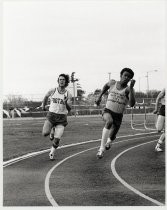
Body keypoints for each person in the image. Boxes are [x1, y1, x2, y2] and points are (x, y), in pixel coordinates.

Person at [95, 68, 136, 159]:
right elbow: (105, 86)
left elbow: (132, 104)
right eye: (125, 75)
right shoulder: (112, 83)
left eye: (129, 77)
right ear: (121, 75)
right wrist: (100, 96)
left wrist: (132, 88)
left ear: (130, 79)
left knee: (112, 136)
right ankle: (101, 149)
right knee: (109, 121)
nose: (126, 78)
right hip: (108, 111)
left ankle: (109, 141)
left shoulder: (129, 89)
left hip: (118, 115)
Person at [42, 74, 72, 160]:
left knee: (57, 139)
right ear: (58, 81)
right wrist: (43, 106)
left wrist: (66, 102)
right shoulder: (53, 90)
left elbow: (70, 108)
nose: (61, 81)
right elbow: (45, 96)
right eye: (60, 79)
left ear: (65, 81)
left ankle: (52, 153)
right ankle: (52, 130)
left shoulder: (68, 94)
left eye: (63, 79)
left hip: (61, 118)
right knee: (45, 133)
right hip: (51, 115)